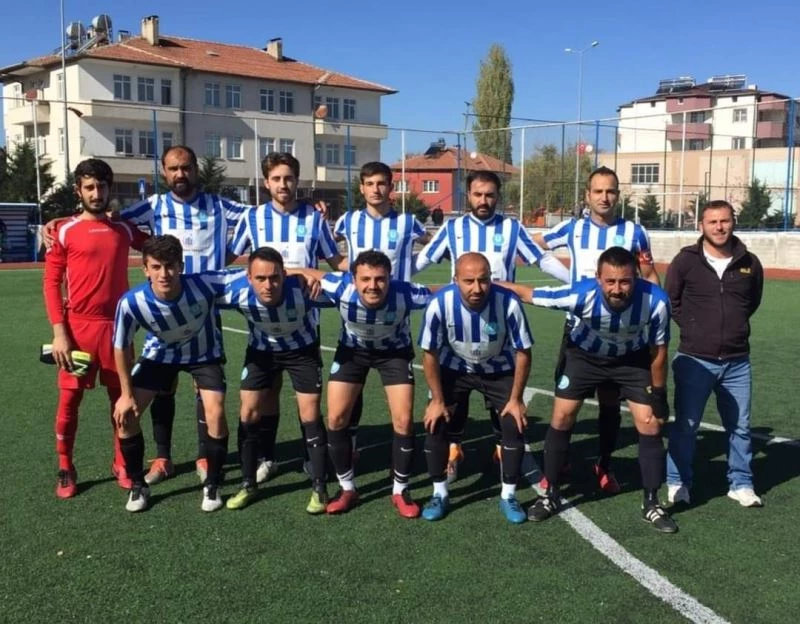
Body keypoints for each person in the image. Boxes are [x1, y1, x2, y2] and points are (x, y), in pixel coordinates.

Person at [499, 247, 677, 533]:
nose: (617, 289)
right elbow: (529, 294)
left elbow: (659, 350)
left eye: (625, 281)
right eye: (610, 281)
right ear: (597, 278)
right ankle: (550, 494)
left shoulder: (655, 301)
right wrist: (489, 284)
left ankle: (652, 502)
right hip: (584, 357)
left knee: (650, 423)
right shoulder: (580, 294)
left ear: (636, 277)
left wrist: (659, 394)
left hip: (630, 360)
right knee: (562, 416)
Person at [415, 170, 568, 481]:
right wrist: (394, 284)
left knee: (502, 398)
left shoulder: (511, 228)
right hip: (459, 325)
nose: (483, 200)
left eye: (489, 195)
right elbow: (425, 259)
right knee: (454, 399)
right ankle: (454, 449)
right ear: (468, 195)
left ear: (498, 196)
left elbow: (541, 259)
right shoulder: (454, 228)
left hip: (499, 325)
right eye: (478, 194)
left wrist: (577, 283)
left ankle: (503, 449)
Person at [534, 166, 660, 494]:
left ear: (618, 195)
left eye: (611, 191)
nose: (604, 197)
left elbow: (648, 275)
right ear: (587, 195)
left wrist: (654, 314)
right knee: (567, 403)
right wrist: (565, 277)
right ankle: (559, 462)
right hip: (578, 331)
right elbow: (533, 245)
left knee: (609, 404)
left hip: (620, 334)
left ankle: (604, 463)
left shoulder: (634, 232)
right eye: (598, 191)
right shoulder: (572, 229)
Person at [228, 152, 346, 483]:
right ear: (266, 183)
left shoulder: (314, 219)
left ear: (297, 181)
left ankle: (312, 459)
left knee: (306, 398)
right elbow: (228, 256)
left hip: (304, 324)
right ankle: (267, 457)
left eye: (289, 178)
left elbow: (336, 261)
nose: (283, 184)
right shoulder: (253, 218)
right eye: (277, 179)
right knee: (266, 393)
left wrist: (369, 271)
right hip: (263, 327)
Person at [302, 250, 436, 517]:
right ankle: (347, 488)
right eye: (365, 279)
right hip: (353, 353)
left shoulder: (406, 293)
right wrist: (293, 273)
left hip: (394, 354)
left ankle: (400, 491)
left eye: (380, 279)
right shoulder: (340, 287)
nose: (372, 285)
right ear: (353, 279)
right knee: (336, 419)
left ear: (390, 278)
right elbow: (306, 272)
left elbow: (441, 292)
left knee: (403, 421)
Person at [43, 158, 147, 497]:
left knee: (121, 399)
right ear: (78, 191)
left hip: (117, 330)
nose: (96, 193)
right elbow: (51, 283)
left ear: (109, 189)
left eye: (101, 186)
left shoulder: (123, 229)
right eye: (89, 187)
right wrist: (60, 333)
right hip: (78, 331)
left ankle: (122, 462)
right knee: (69, 402)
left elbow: (155, 245)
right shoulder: (64, 230)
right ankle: (65, 466)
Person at [112, 234, 235, 513]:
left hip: (204, 356)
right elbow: (120, 347)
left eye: (170, 266)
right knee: (126, 417)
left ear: (181, 266)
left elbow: (252, 274)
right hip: (159, 357)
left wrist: (304, 274)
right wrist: (125, 394)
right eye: (156, 267)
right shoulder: (132, 302)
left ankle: (213, 484)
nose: (164, 274)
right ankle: (138, 486)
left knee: (216, 412)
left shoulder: (204, 284)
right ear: (145, 269)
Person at [417, 253, 533, 523]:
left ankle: (508, 495)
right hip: (454, 369)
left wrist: (516, 399)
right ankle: (439, 493)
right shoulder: (439, 304)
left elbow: (524, 352)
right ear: (455, 279)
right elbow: (430, 353)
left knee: (513, 424)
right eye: (469, 281)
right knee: (435, 423)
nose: (477, 288)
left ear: (491, 279)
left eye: (483, 280)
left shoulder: (508, 303)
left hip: (498, 369)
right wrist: (437, 400)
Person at [216, 246, 332, 513]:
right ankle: (248, 484)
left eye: (274, 277)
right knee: (248, 412)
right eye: (260, 278)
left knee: (310, 414)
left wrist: (305, 273)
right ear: (248, 277)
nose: (268, 285)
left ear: (284, 275)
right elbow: (200, 282)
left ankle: (320, 487)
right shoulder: (237, 292)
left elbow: (346, 283)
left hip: (302, 352)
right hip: (261, 352)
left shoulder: (304, 290)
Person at [665, 200, 764, 508]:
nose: (719, 227)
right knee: (686, 426)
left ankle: (741, 483)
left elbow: (752, 301)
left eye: (725, 221)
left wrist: (733, 327)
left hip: (737, 362)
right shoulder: (686, 261)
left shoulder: (750, 262)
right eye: (713, 222)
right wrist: (694, 328)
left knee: (740, 427)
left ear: (733, 222)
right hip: (695, 359)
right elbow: (671, 300)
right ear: (702, 226)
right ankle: (679, 482)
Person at [333, 161, 431, 459]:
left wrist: (412, 270)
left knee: (400, 405)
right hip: (357, 318)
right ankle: (350, 442)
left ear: (391, 188)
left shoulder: (408, 223)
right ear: (362, 188)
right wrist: (345, 274)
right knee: (352, 388)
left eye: (381, 183)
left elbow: (435, 245)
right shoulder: (348, 221)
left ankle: (401, 463)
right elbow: (326, 249)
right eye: (370, 184)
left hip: (395, 320)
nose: (376, 189)